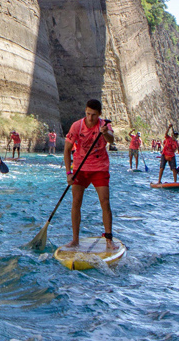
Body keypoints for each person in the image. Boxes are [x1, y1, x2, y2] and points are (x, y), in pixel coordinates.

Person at [63, 99, 115, 251]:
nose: (90, 118)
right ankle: (75, 240)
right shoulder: (77, 126)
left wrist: (106, 134)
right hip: (80, 168)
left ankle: (109, 239)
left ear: (99, 114)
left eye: (93, 115)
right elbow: (66, 150)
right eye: (87, 114)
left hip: (99, 168)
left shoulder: (104, 125)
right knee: (76, 202)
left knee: (105, 201)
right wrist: (68, 173)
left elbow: (111, 140)